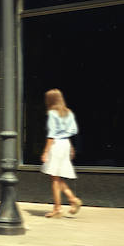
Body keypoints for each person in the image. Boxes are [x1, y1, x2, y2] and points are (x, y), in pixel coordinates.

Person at [41, 88, 83, 218]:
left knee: (54, 177)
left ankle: (57, 208)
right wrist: (70, 147)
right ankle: (72, 199)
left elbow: (52, 134)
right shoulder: (68, 112)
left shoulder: (52, 113)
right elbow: (73, 130)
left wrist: (45, 151)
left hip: (56, 145)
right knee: (57, 176)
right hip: (65, 144)